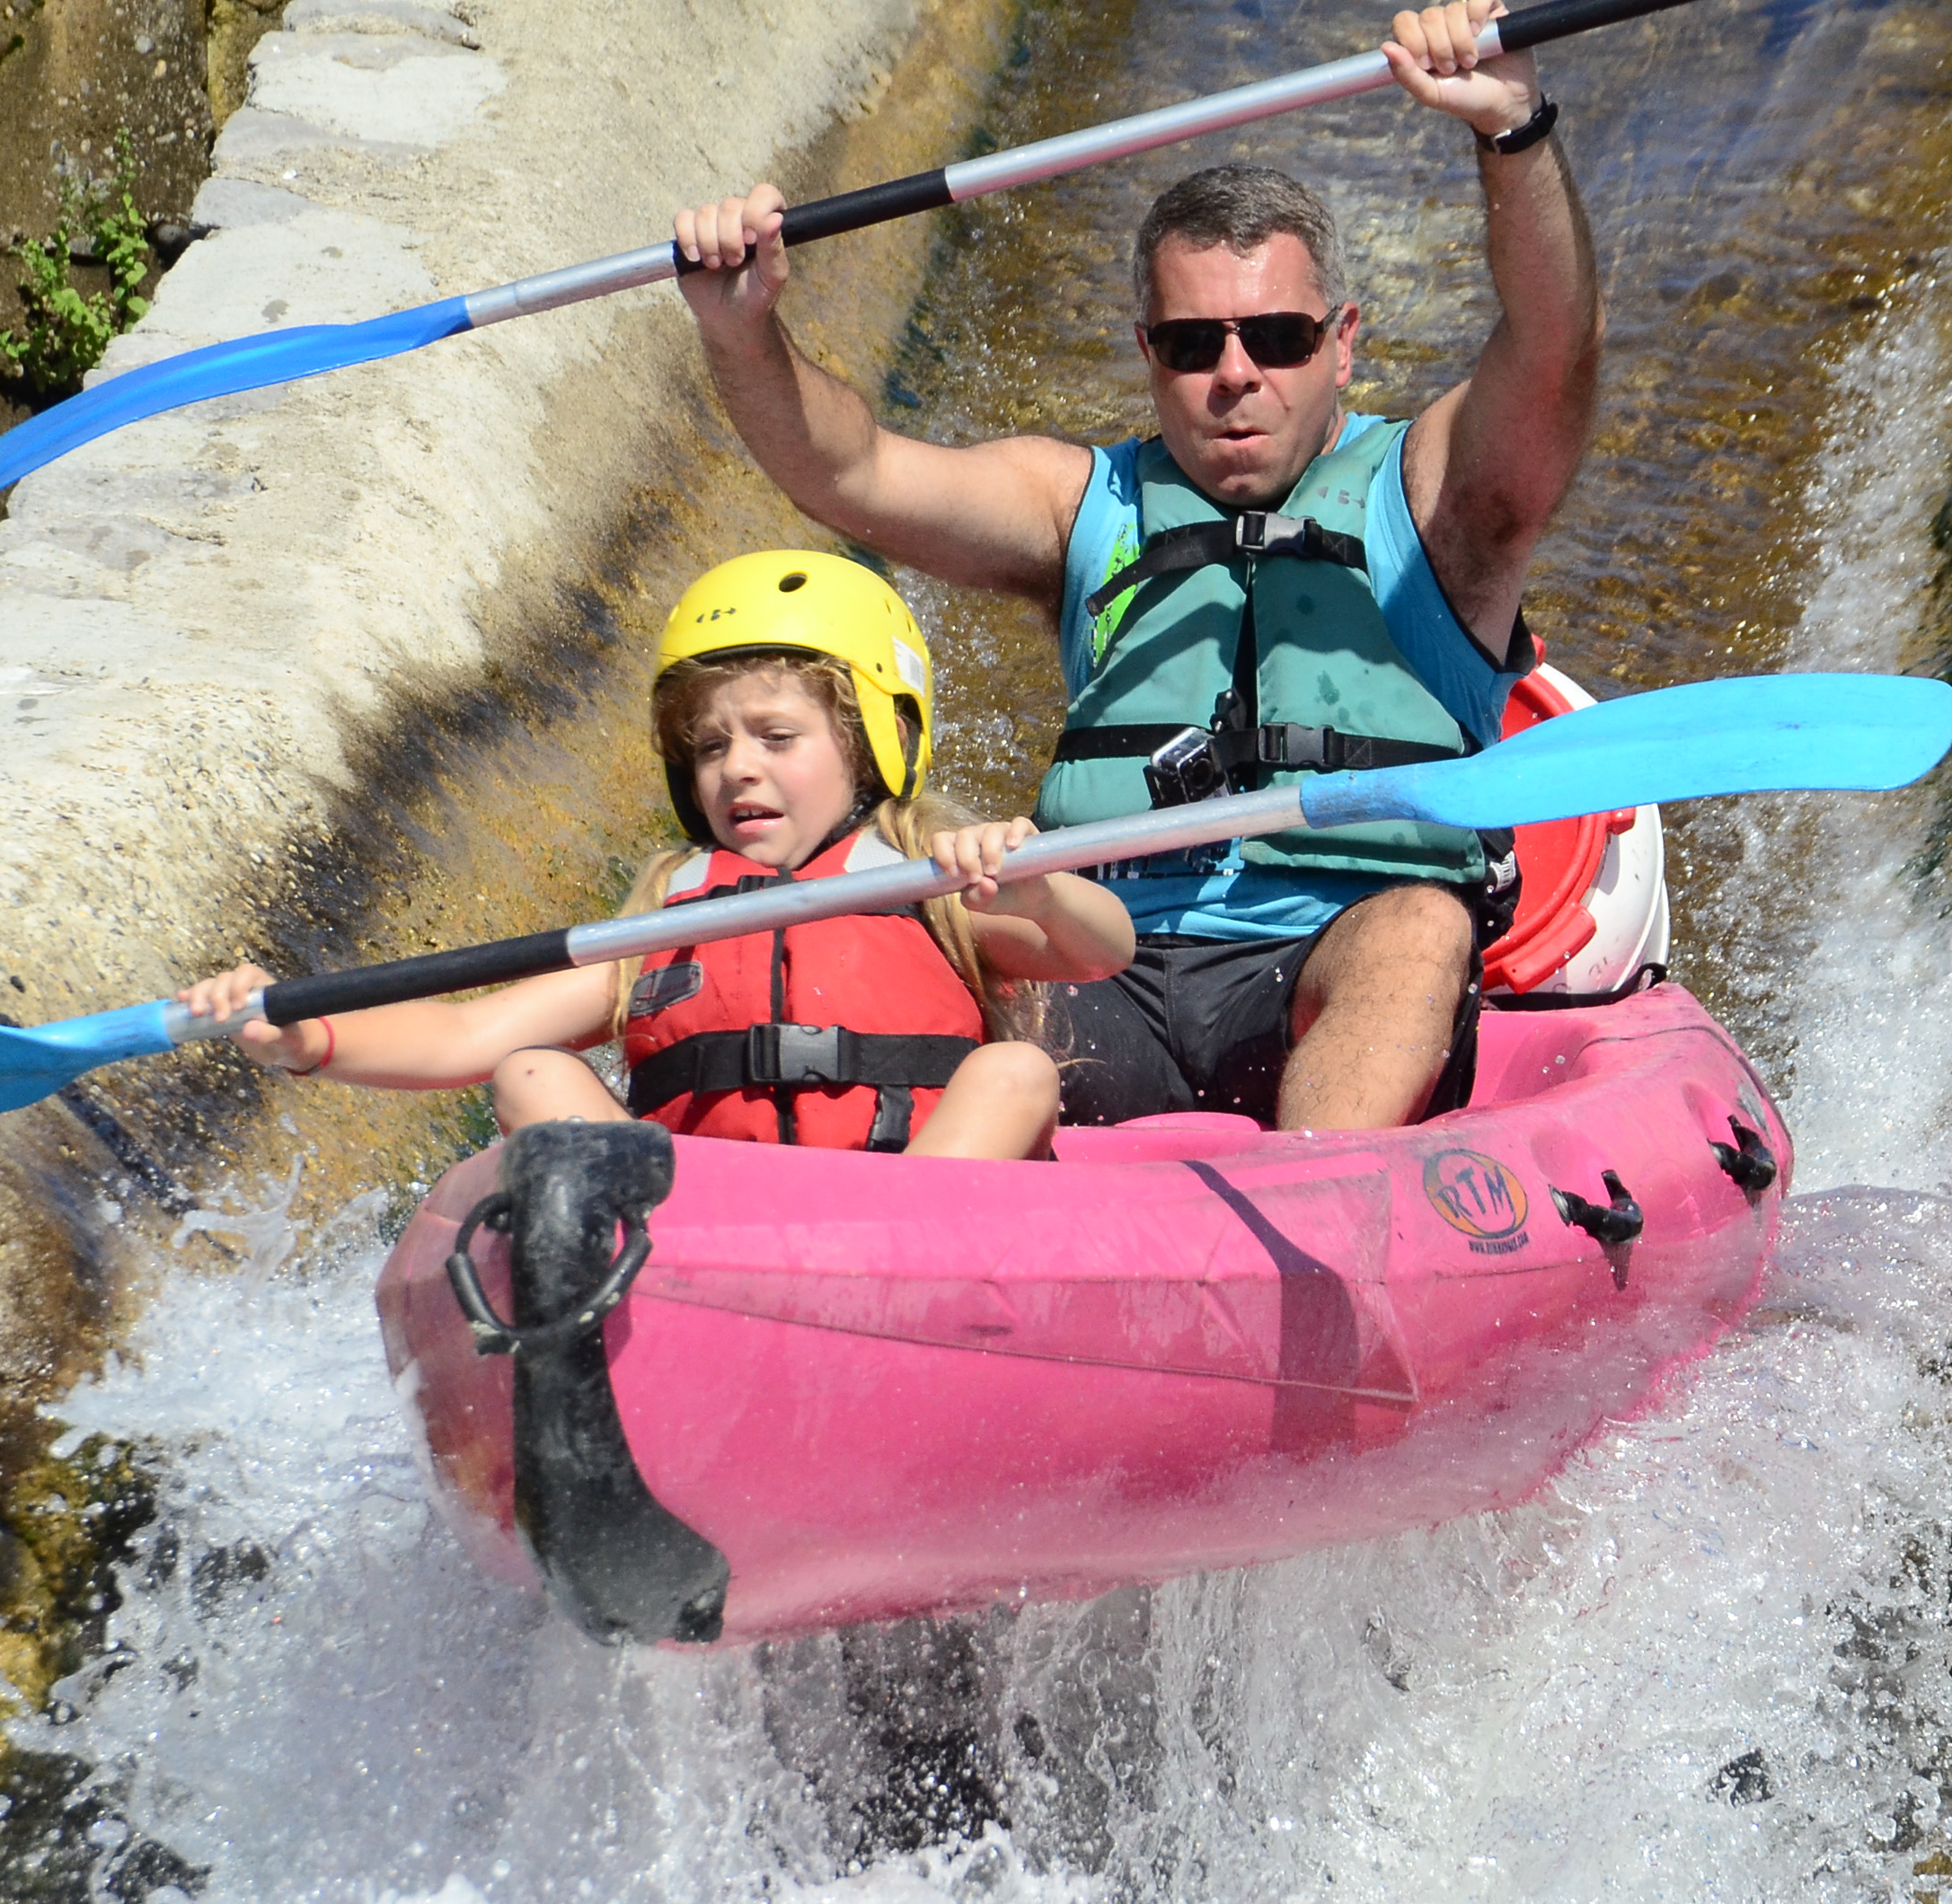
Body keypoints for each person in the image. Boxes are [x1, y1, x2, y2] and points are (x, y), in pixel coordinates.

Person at [669, 1, 1602, 1133]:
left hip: (1334, 955)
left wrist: (1512, 127)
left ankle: (1315, 1223)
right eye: (1193, 342)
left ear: (1344, 340)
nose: (1236, 373)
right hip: (1100, 959)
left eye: (1279, 337)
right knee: (914, 938)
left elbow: (1555, 345)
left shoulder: (1439, 498)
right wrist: (740, 330)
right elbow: (850, 474)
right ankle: (867, 1226)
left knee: (1419, 925)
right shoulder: (1082, 506)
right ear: (1148, 351)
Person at [178, 551, 1133, 1160]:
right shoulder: (670, 914)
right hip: (704, 1240)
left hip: (916, 1229)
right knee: (530, 1074)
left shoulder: (932, 871)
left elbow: (1105, 949)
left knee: (1017, 1076)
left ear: (874, 739)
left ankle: (895, 1274)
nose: (736, 770)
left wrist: (1039, 888)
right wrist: (306, 1035)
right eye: (710, 748)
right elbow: (469, 1039)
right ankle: (639, 1289)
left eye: (775, 736)